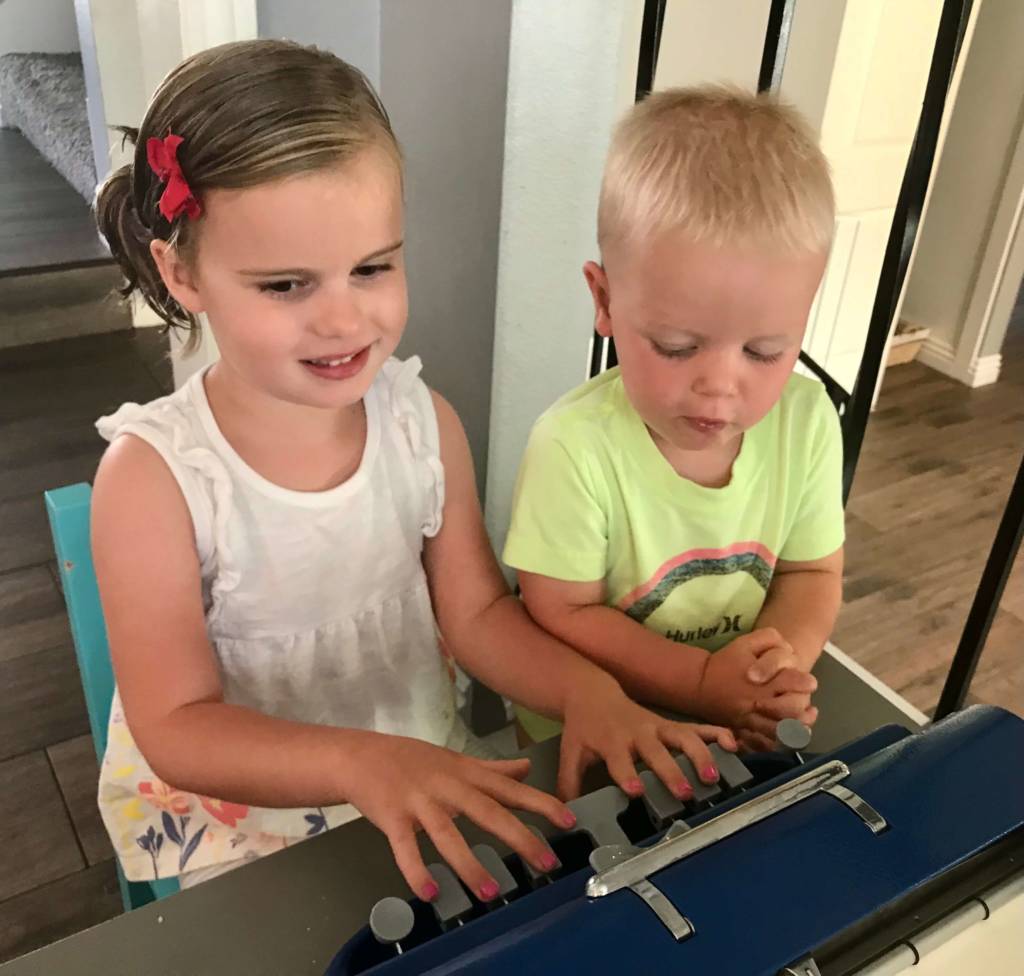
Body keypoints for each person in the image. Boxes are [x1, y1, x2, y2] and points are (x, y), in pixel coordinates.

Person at [90, 41, 734, 899]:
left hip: (421, 772)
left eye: (373, 267)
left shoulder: (420, 422)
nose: (343, 317)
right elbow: (176, 725)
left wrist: (585, 690)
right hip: (243, 829)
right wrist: (363, 763)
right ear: (182, 272)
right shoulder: (154, 480)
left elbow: (474, 614)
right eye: (285, 285)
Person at [504, 87, 843, 752]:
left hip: (733, 718)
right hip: (598, 731)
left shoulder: (806, 424)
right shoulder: (572, 445)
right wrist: (701, 680)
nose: (719, 386)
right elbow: (560, 609)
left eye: (765, 351)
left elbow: (812, 574)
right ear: (603, 299)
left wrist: (779, 667)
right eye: (678, 347)